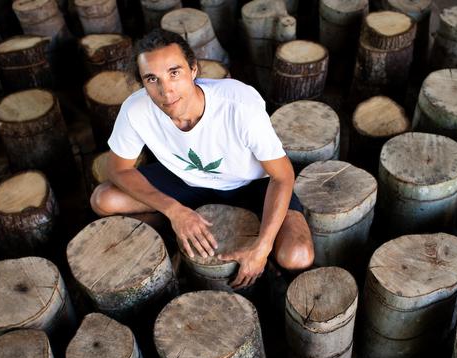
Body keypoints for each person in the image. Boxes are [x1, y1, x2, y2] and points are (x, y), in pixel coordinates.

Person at [90, 29, 314, 289]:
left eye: (174, 73)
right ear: (142, 83)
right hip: (187, 184)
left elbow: (282, 175)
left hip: (253, 186)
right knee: (103, 200)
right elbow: (117, 169)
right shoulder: (136, 109)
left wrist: (262, 248)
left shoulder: (239, 104)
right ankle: (174, 231)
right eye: (152, 79)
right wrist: (173, 211)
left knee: (297, 255)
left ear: (193, 69)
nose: (166, 90)